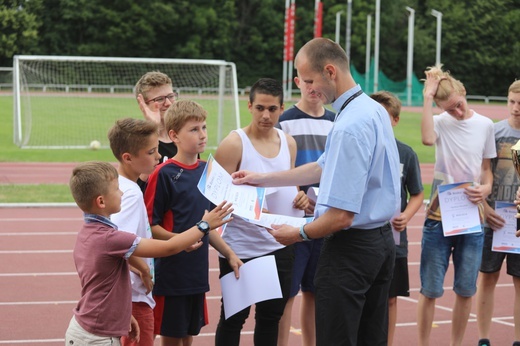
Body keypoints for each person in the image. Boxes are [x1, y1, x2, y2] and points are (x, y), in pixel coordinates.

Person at [231, 38, 401, 346]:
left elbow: (341, 216)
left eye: (309, 80)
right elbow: (321, 168)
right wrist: (262, 178)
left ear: (331, 72)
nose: (307, 90)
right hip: (380, 242)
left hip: (351, 250)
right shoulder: (371, 109)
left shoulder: (349, 124)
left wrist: (298, 234)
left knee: (337, 337)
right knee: (370, 336)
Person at [65, 161, 234, 345]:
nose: (122, 193)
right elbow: (169, 248)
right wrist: (204, 225)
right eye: (116, 189)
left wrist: (124, 316)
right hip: (97, 338)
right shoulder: (110, 239)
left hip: (88, 328)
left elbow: (101, 287)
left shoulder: (87, 233)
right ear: (101, 201)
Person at [213, 78, 309, 346]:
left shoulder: (288, 142)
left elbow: (292, 184)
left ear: (281, 108)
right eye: (260, 108)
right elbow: (215, 197)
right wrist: (251, 206)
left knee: (271, 318)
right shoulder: (234, 144)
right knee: (234, 318)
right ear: (249, 106)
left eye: (272, 109)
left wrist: (300, 196)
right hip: (242, 248)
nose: (266, 115)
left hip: (281, 244)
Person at [143, 100, 243, 346]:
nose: (202, 135)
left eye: (204, 127)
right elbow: (151, 227)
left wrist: (229, 253)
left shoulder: (207, 170)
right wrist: (180, 241)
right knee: (172, 337)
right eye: (194, 129)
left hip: (196, 274)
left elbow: (207, 223)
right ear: (174, 135)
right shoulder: (163, 173)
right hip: (172, 274)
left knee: (189, 337)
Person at [417, 65, 496, 346]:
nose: (457, 113)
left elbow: (486, 170)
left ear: (464, 93)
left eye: (459, 106)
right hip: (439, 216)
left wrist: (486, 187)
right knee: (430, 290)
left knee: (465, 289)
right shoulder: (440, 122)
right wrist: (428, 98)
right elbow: (427, 139)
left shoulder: (485, 125)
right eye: (450, 109)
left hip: (472, 217)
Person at [275, 75, 335, 346]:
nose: (313, 87)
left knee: (317, 291)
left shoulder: (337, 122)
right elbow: (276, 165)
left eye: (318, 81)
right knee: (287, 293)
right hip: (293, 218)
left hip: (326, 220)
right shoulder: (284, 121)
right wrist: (295, 192)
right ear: (298, 81)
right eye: (307, 81)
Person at [370, 91, 424, 346]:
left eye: (385, 116)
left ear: (395, 120)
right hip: (363, 238)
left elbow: (417, 194)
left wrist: (406, 215)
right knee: (363, 297)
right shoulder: (362, 148)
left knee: (390, 298)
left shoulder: (406, 153)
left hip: (394, 240)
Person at [107, 118, 160, 346]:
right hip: (134, 297)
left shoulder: (118, 186)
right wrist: (143, 270)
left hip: (129, 295)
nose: (158, 156)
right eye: (151, 151)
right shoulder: (130, 194)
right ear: (127, 158)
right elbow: (118, 243)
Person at [476, 80, 520, 346]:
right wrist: (485, 207)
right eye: (512, 102)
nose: (516, 108)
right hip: (494, 219)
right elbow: (481, 173)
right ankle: (483, 338)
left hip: (517, 222)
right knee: (488, 277)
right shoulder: (494, 132)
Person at [134, 71, 178, 189]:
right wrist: (153, 129)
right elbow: (135, 190)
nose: (168, 103)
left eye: (171, 96)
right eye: (160, 99)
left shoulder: (183, 135)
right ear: (143, 104)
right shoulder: (137, 143)